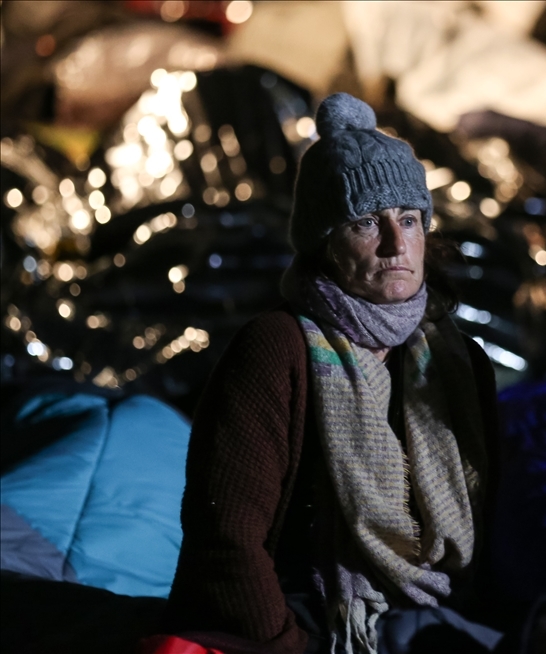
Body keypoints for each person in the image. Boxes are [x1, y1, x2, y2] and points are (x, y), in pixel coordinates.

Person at [160, 93, 501, 654]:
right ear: (325, 244)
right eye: (366, 223)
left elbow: (491, 526)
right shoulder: (277, 349)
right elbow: (226, 538)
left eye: (409, 220)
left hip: (432, 623)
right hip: (306, 624)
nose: (395, 244)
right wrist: (289, 645)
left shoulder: (459, 363)